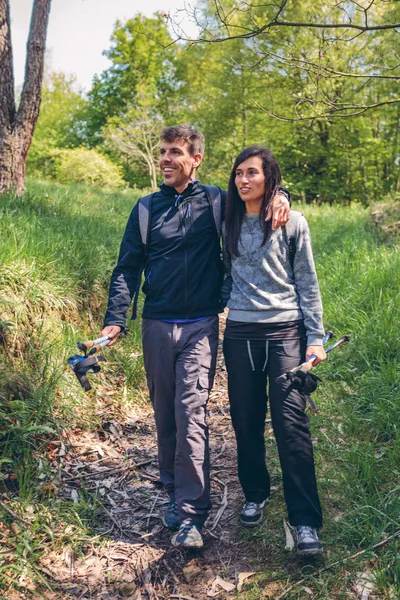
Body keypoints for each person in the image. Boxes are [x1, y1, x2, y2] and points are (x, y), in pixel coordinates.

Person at [101, 126, 290, 549]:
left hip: (201, 324)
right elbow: (127, 267)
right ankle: (172, 488)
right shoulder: (146, 209)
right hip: (156, 324)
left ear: (195, 159)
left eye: (175, 152)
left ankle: (190, 514)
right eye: (163, 152)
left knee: (191, 414)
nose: (166, 159)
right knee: (165, 414)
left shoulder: (216, 203)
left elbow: (258, 192)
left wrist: (283, 196)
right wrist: (116, 319)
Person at [221, 146, 326, 556]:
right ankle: (255, 493)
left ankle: (304, 521)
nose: (243, 180)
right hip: (240, 334)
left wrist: (315, 337)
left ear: (270, 180)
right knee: (245, 421)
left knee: (291, 425)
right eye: (238, 173)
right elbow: (225, 278)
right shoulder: (224, 221)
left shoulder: (292, 221)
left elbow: (307, 282)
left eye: (252, 173)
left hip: (285, 333)